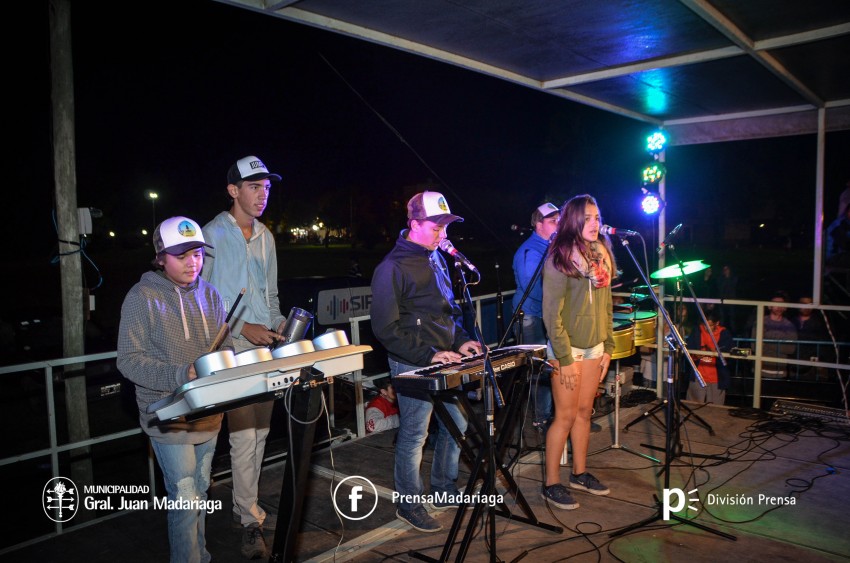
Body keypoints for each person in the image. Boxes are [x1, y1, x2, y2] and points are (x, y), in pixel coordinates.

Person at [370, 190, 482, 533]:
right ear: (415, 224)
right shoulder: (391, 268)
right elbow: (384, 328)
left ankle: (445, 488)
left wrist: (462, 341)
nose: (443, 234)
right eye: (436, 226)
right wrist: (429, 354)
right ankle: (409, 503)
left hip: (446, 358)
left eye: (446, 226)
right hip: (413, 362)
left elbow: (448, 314)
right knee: (415, 434)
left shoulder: (437, 258)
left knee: (456, 427)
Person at [117, 216, 228, 563]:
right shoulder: (141, 297)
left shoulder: (211, 294)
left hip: (209, 414)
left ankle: (200, 555)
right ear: (161, 256)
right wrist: (182, 372)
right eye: (183, 255)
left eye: (197, 253)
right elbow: (129, 361)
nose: (193, 262)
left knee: (200, 493)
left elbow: (219, 353)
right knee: (185, 501)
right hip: (166, 416)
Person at [201, 155, 286, 559]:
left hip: (264, 349)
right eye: (254, 187)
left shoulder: (267, 236)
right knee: (242, 436)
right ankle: (247, 517)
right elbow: (201, 300)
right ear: (233, 190)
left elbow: (270, 297)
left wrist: (280, 323)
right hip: (231, 350)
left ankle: (244, 506)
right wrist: (241, 330)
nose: (262, 194)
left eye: (266, 187)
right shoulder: (211, 234)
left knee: (261, 433)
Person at [541, 194, 615, 510]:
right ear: (573, 220)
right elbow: (551, 314)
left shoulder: (601, 255)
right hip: (567, 349)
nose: (594, 223)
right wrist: (565, 358)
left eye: (597, 217)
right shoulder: (560, 258)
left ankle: (579, 473)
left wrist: (609, 346)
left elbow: (607, 305)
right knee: (565, 416)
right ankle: (551, 483)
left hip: (595, 346)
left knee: (585, 412)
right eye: (587, 217)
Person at [511, 202, 560, 432]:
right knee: (539, 370)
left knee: (549, 366)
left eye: (559, 220)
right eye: (552, 221)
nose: (558, 224)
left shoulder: (551, 247)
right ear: (538, 224)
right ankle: (542, 419)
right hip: (530, 317)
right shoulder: (531, 251)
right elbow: (534, 289)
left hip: (545, 315)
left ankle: (550, 416)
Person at [685, 309, 732, 404]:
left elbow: (727, 352)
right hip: (698, 376)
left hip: (716, 378)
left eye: (710, 325)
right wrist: (696, 355)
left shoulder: (724, 333)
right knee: (693, 406)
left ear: (717, 323)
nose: (706, 328)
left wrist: (712, 351)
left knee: (715, 409)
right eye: (704, 325)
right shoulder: (697, 331)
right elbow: (690, 349)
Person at [754, 293, 798, 379]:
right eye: (776, 304)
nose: (779, 307)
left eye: (781, 304)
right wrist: (780, 343)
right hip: (760, 370)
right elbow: (755, 346)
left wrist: (765, 340)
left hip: (780, 371)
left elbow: (790, 349)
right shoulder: (760, 322)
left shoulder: (789, 325)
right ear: (769, 306)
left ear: (785, 307)